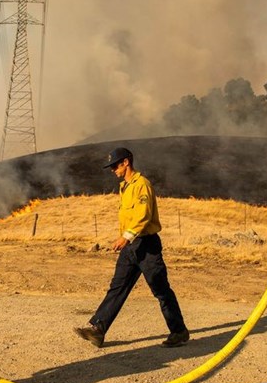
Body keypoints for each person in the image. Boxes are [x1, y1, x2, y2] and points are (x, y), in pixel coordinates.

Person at [74, 147, 190, 348]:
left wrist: (126, 237)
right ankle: (98, 329)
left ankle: (179, 331)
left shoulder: (141, 184)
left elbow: (143, 215)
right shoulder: (125, 187)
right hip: (130, 247)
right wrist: (126, 239)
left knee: (160, 289)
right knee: (117, 287)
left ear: (126, 162)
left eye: (115, 166)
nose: (113, 170)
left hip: (146, 245)